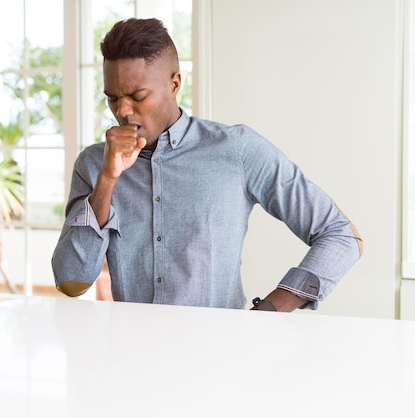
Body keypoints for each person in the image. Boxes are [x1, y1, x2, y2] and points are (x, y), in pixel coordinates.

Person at [51, 17, 363, 312]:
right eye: (113, 98)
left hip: (219, 356)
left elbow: (341, 236)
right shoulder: (93, 164)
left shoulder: (237, 148)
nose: (123, 110)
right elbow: (71, 283)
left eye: (137, 96)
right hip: (129, 357)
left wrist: (269, 310)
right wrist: (107, 180)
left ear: (174, 85)